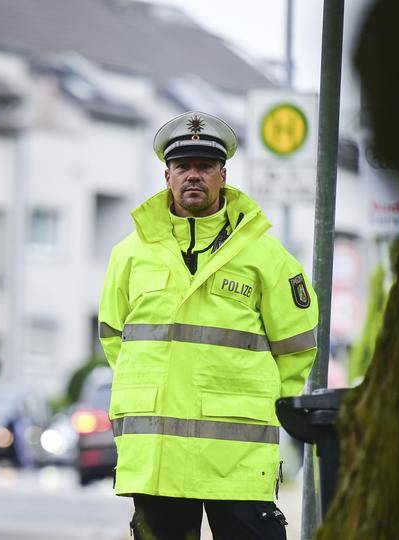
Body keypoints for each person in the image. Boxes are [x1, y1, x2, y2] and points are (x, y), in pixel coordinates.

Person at [97, 111, 318, 539]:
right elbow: (114, 340)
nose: (193, 176)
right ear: (167, 176)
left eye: (204, 167)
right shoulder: (128, 254)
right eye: (183, 167)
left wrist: (263, 406)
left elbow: (297, 346)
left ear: (223, 175)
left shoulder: (265, 256)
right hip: (157, 459)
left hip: (235, 462)